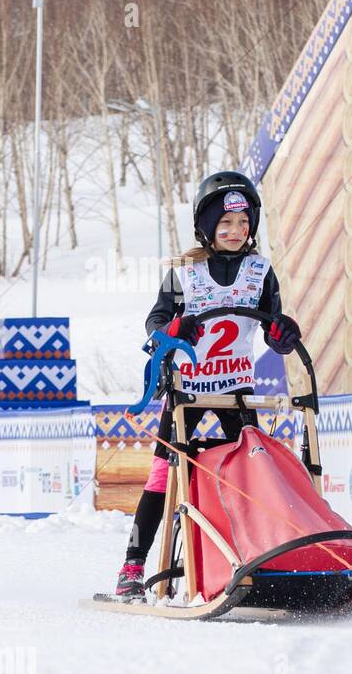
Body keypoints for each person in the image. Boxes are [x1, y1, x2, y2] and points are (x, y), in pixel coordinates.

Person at [114, 171, 302, 598]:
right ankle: (132, 567)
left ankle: (259, 559)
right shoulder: (185, 274)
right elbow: (155, 324)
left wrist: (283, 334)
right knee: (163, 477)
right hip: (189, 393)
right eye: (226, 224)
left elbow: (274, 326)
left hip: (236, 390)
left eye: (243, 223)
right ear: (207, 228)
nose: (237, 231)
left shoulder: (260, 272)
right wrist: (175, 328)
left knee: (251, 476)